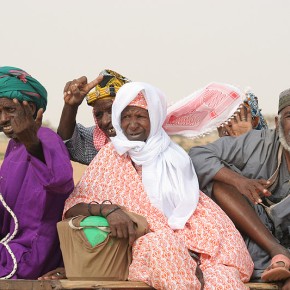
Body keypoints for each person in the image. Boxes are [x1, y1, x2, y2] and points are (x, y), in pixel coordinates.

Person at [62, 81, 253, 289]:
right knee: (163, 247)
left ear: (155, 118)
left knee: (222, 277)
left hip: (192, 239)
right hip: (146, 245)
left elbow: (190, 206)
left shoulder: (173, 155)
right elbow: (74, 206)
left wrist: (190, 252)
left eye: (140, 117)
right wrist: (108, 210)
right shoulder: (111, 156)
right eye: (126, 117)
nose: (132, 124)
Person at [189, 88, 290, 287]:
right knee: (218, 181)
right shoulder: (259, 143)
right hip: (258, 233)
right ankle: (276, 251)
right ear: (278, 124)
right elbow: (196, 156)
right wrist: (238, 181)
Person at [0, 66, 74, 279]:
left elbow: (60, 182)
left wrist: (31, 142)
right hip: (10, 244)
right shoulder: (14, 147)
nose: (4, 119)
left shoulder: (46, 138)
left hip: (31, 253)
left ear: (31, 109)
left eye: (10, 110)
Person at [57, 69, 130, 165]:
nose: (104, 121)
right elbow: (65, 144)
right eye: (98, 115)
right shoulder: (99, 142)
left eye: (111, 111)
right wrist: (71, 106)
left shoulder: (151, 140)